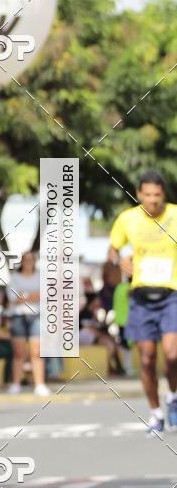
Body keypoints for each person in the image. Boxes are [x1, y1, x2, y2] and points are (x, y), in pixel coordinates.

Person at [108, 170, 177, 434]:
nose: (152, 201)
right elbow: (113, 249)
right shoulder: (127, 219)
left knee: (172, 355)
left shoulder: (174, 215)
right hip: (141, 296)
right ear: (138, 194)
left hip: (171, 294)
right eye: (147, 195)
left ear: (164, 195)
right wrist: (119, 260)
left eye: (157, 195)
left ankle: (173, 395)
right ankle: (156, 413)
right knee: (147, 358)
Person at [7, 251, 49, 396]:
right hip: (18, 316)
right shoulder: (15, 277)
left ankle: (40, 384)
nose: (28, 262)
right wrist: (32, 295)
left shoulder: (41, 276)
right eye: (26, 260)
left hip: (37, 316)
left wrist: (24, 295)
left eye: (31, 260)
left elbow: (44, 295)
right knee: (19, 352)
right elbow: (13, 297)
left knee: (36, 351)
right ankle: (16, 383)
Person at [79, 291, 124, 374]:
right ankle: (109, 368)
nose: (99, 301)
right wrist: (104, 335)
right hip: (85, 337)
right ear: (93, 301)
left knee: (112, 342)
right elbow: (91, 329)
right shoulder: (85, 313)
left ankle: (116, 367)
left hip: (93, 337)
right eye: (97, 300)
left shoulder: (94, 313)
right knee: (110, 344)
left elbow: (99, 327)